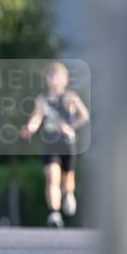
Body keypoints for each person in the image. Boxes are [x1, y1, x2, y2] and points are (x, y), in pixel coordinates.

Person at [19, 61, 90, 227]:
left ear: (65, 79)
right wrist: (30, 128)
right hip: (50, 143)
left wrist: (70, 127)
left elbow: (84, 115)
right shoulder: (42, 100)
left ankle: (68, 194)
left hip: (67, 143)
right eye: (51, 77)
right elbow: (36, 118)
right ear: (47, 80)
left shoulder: (70, 98)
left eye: (57, 77)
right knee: (52, 177)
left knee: (67, 179)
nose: (54, 81)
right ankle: (54, 214)